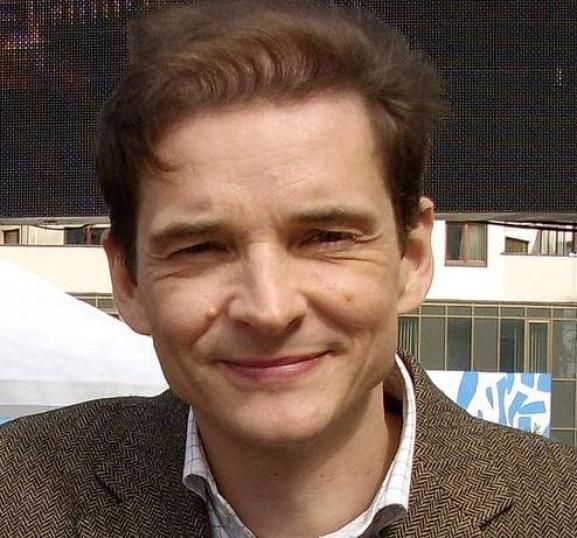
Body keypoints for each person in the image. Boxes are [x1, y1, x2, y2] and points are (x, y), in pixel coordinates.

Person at [1, 1, 576, 537]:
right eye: (201, 249)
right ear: (128, 282)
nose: (270, 309)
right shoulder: (19, 496)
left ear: (412, 257)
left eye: (326, 238)